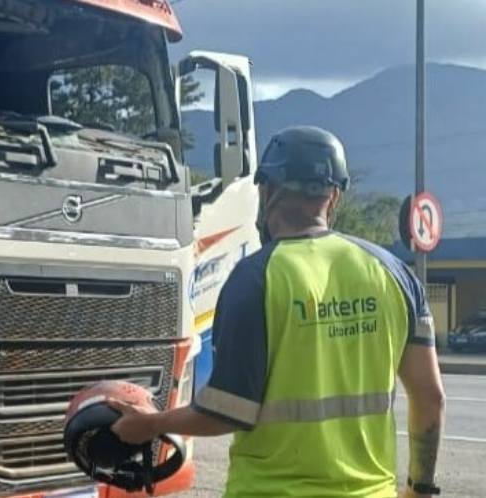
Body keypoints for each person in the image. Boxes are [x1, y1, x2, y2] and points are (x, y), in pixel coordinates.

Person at [107, 125, 446, 498]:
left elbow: (227, 410)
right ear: (333, 197)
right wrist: (419, 488)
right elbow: (430, 398)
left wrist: (152, 424)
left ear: (268, 191)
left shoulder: (254, 279)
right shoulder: (394, 274)